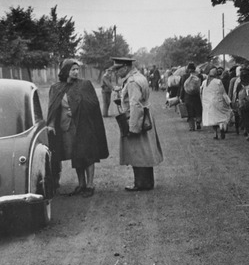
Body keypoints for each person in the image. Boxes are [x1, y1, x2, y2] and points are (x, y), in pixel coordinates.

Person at [46, 59, 109, 197]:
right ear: (65, 71)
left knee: (87, 154)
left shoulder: (84, 85)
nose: (76, 72)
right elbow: (52, 107)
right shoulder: (56, 88)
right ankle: (81, 184)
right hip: (67, 128)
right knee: (76, 155)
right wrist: (50, 124)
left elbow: (92, 105)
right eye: (73, 69)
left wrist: (76, 110)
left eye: (77, 69)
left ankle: (90, 185)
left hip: (84, 125)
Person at [111, 57, 164, 191]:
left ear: (125, 67)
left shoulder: (132, 81)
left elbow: (135, 104)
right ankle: (147, 182)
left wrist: (133, 127)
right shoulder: (139, 77)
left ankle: (140, 183)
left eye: (118, 69)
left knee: (137, 152)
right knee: (145, 151)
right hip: (144, 116)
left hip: (136, 117)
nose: (116, 72)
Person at [200, 64, 232, 140]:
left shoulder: (204, 82)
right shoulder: (218, 81)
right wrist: (229, 102)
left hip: (208, 104)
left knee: (213, 119)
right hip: (218, 102)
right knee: (221, 116)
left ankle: (216, 134)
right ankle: (222, 129)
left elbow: (201, 92)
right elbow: (223, 93)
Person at [178, 62, 203, 131]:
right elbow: (202, 86)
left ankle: (191, 127)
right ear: (194, 68)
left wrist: (181, 97)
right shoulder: (199, 76)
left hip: (187, 96)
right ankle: (198, 121)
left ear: (188, 69)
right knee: (198, 110)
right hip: (197, 96)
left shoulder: (185, 76)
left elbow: (182, 87)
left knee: (190, 112)